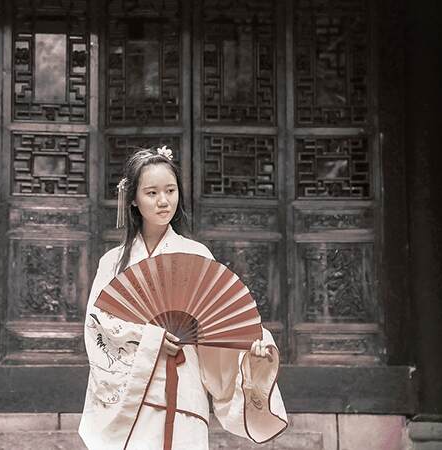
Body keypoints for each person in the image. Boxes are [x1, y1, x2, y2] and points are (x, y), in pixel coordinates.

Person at [78, 146, 288, 449]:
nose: (164, 201)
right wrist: (150, 338)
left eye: (170, 190)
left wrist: (249, 354)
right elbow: (98, 328)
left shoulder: (196, 255)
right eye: (151, 193)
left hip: (186, 400)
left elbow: (219, 330)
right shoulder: (113, 263)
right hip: (135, 404)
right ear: (133, 199)